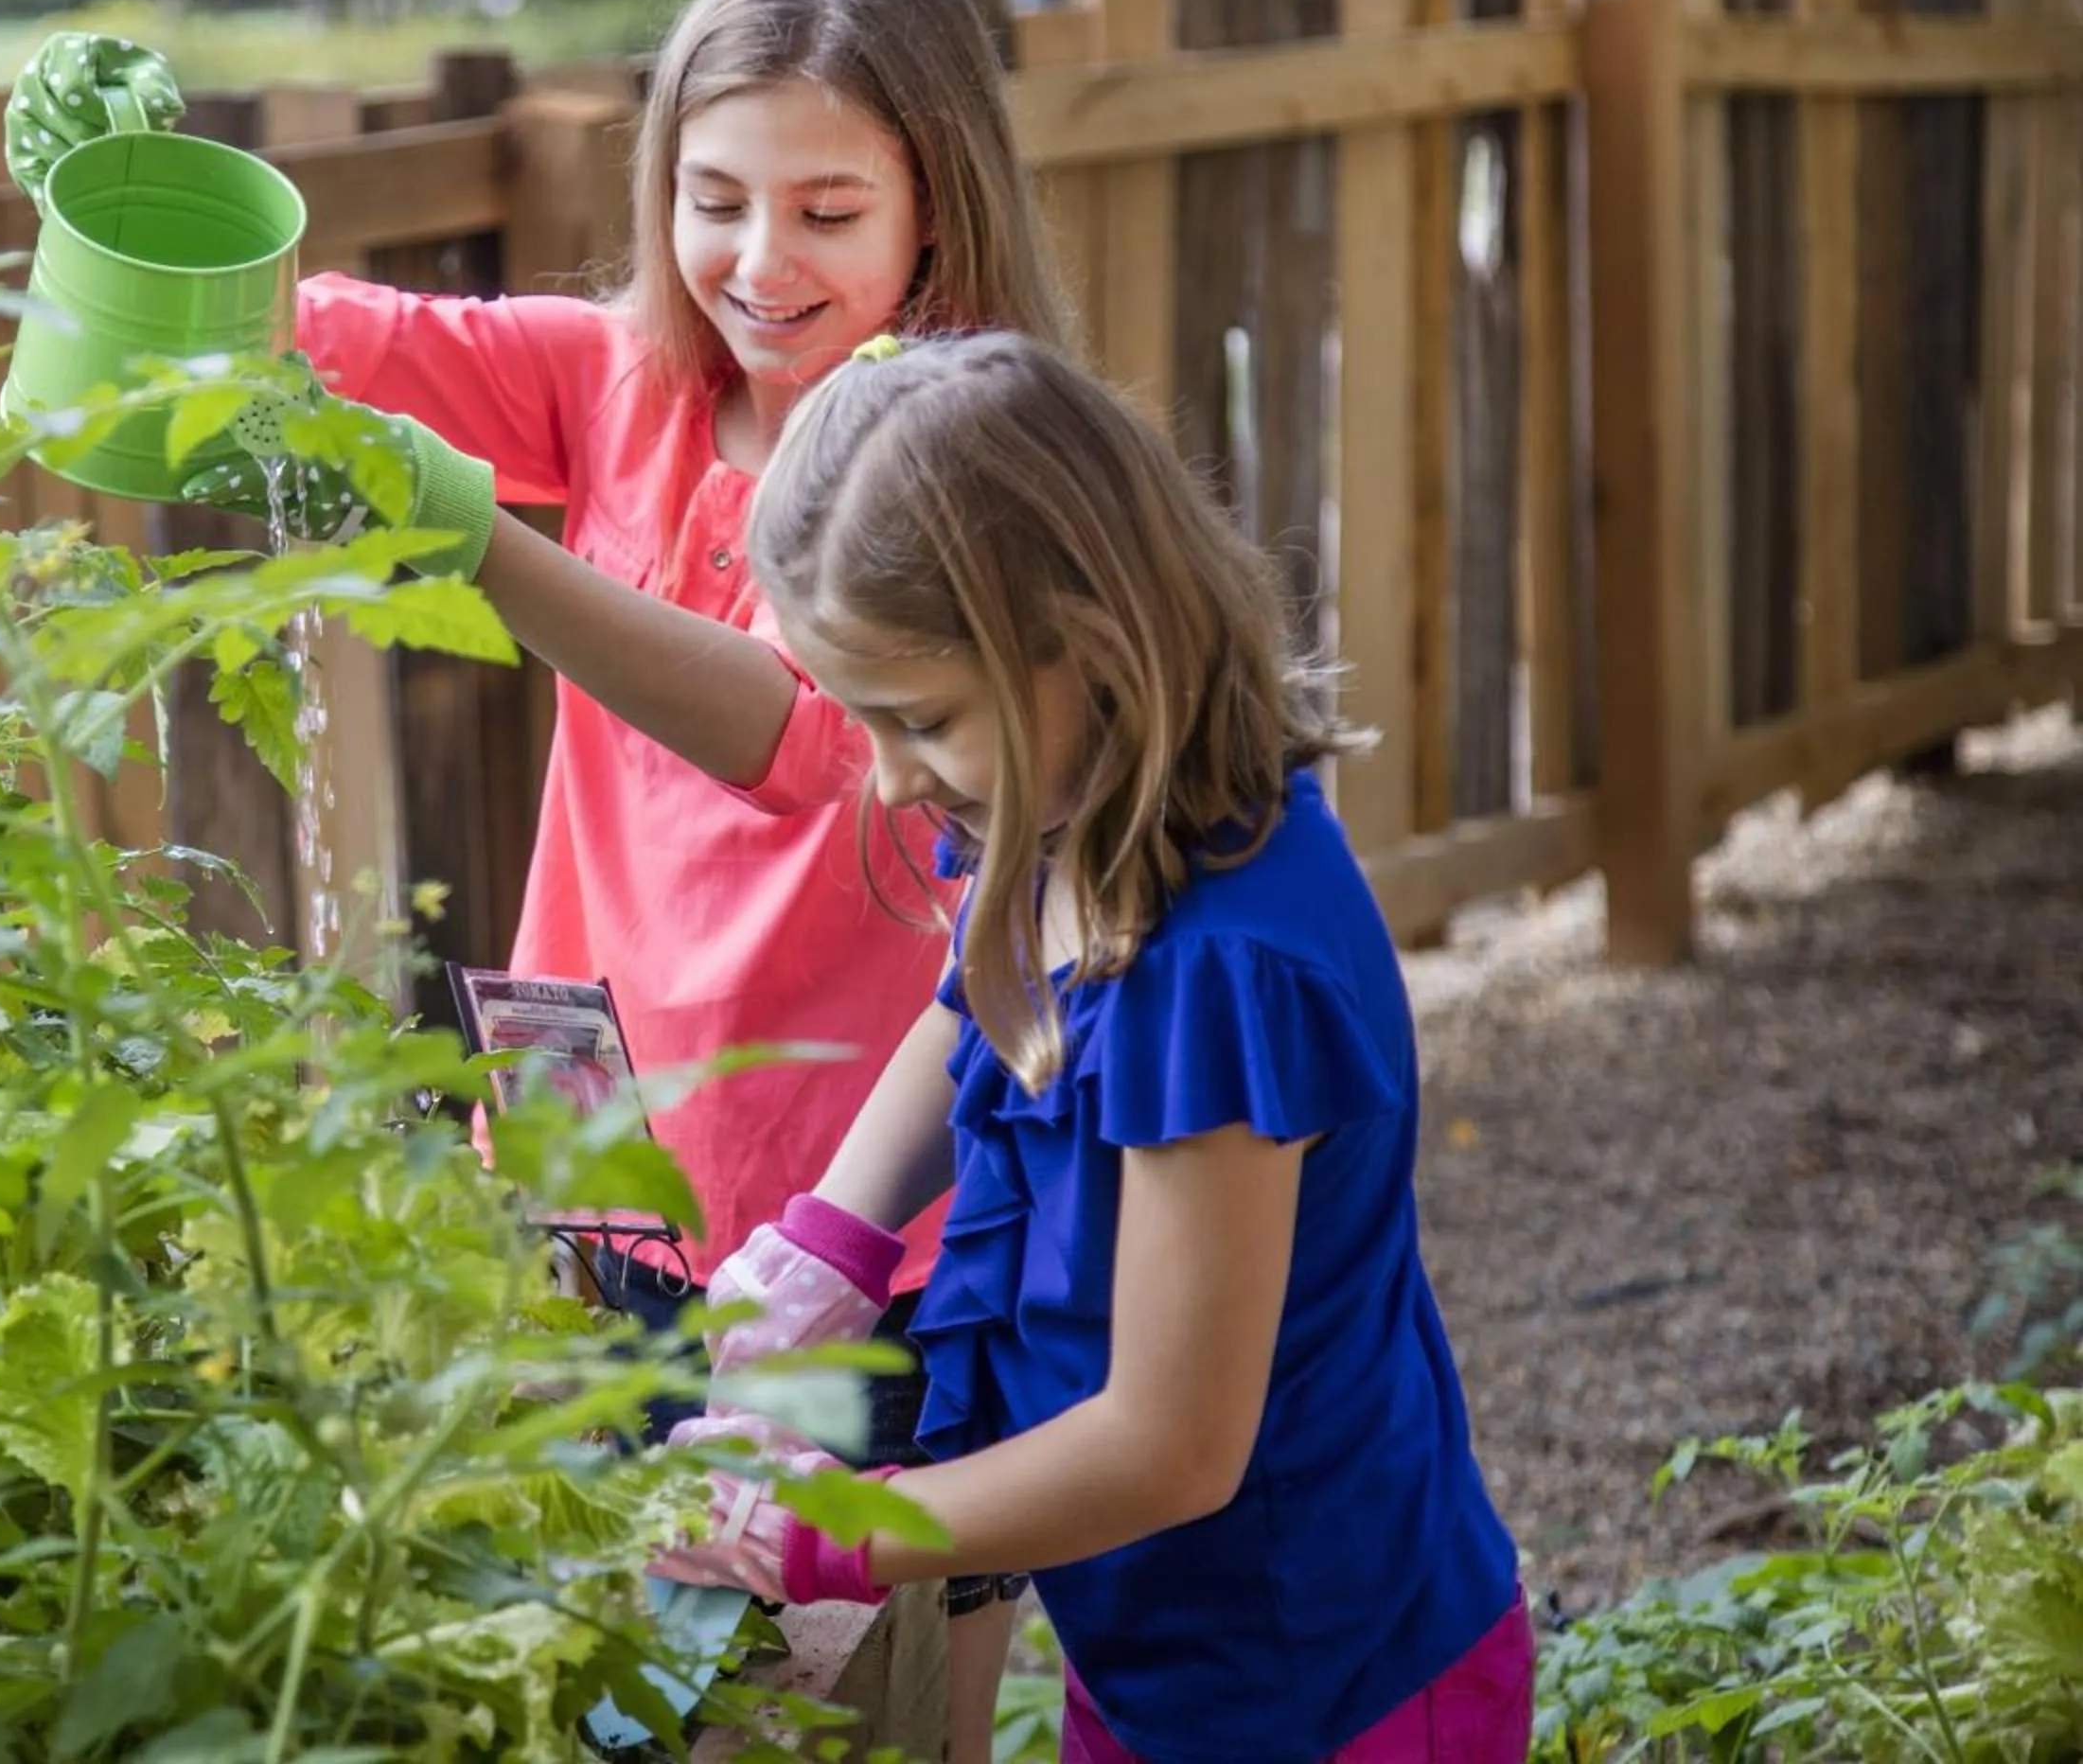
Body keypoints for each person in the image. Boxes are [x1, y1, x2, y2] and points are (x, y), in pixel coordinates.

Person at [2, 0, 1075, 1755]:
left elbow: (800, 740)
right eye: (715, 197)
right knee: (627, 1689)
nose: (759, 261)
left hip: (861, 1218)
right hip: (593, 1180)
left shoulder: (959, 459)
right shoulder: (618, 380)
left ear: (938, 212)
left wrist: (482, 546)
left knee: (872, 1702)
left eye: (828, 210)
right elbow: (283, 357)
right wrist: (126, 210)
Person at [646, 329, 1533, 1764]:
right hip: (1158, 1656)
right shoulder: (1061, 808)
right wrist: (836, 1236)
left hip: (1330, 1690)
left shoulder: (1226, 972)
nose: (887, 776)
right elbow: (981, 999)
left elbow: (1173, 1445)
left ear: (1091, 636)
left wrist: (840, 1534)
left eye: (918, 718)